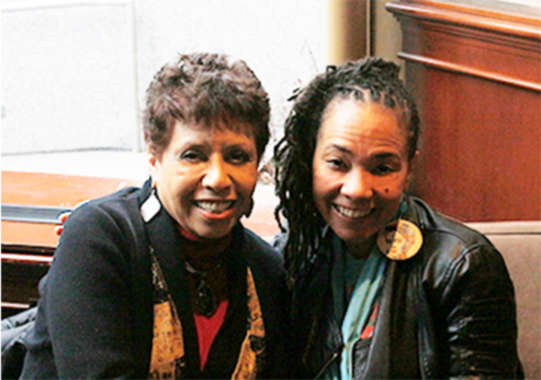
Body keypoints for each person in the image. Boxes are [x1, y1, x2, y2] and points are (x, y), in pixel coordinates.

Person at [19, 53, 289, 379]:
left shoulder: (266, 271)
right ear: (154, 156)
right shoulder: (100, 240)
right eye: (193, 155)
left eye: (237, 156)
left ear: (257, 164)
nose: (218, 178)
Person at [273, 57, 523, 379]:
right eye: (337, 162)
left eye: (382, 168)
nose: (357, 189)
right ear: (312, 162)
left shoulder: (463, 266)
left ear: (409, 170)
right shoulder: (291, 255)